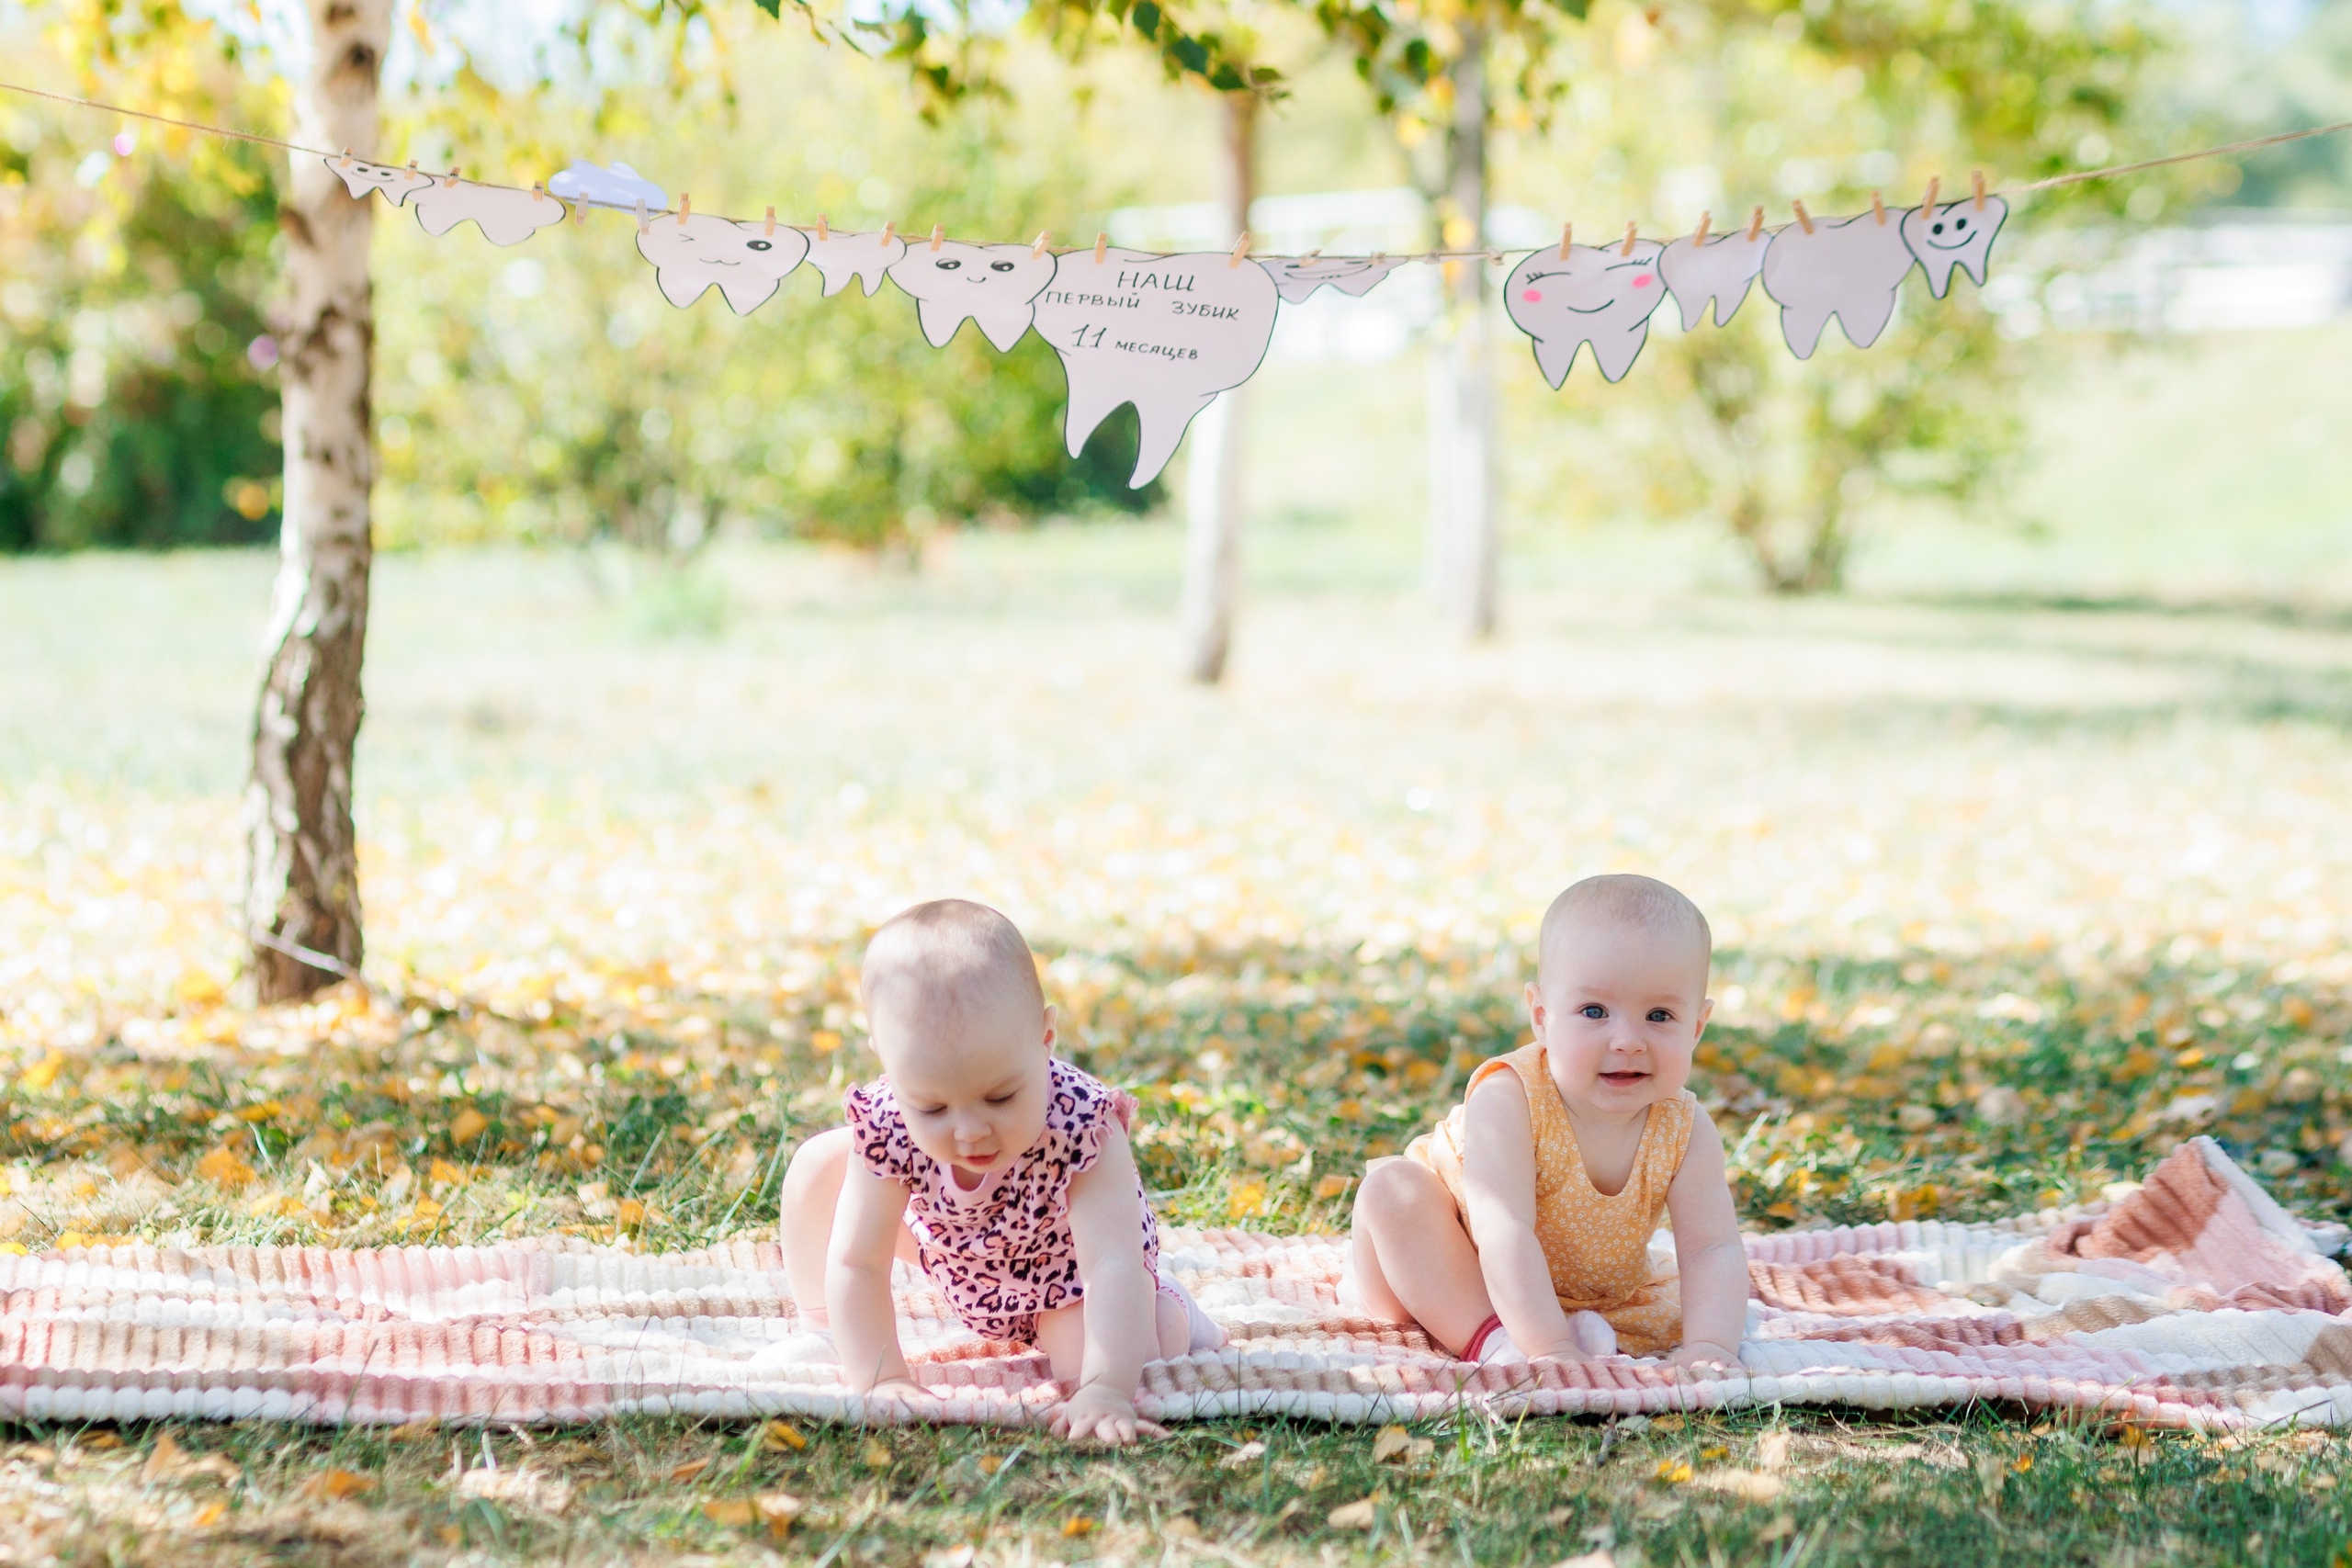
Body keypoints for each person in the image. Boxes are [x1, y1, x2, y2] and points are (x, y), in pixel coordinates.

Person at [779, 898, 1220, 1444]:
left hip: (1067, 1276)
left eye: (1001, 1096)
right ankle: (825, 1328)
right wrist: (882, 1377)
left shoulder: (1082, 1124)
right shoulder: (890, 1121)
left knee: (1103, 1357)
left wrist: (1106, 1389)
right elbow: (859, 1260)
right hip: (956, 1252)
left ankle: (1171, 1311)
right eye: (933, 1108)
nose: (969, 1131)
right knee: (818, 1166)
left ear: (1045, 1037)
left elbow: (1111, 1265)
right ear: (887, 1062)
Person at [1349, 874, 1747, 1369]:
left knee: (1663, 1315)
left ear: (1697, 1027)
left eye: (1660, 1016)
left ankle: (1560, 1330)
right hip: (1437, 1266)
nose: (1627, 1039)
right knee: (1393, 1190)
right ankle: (1496, 1342)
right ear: (1541, 1016)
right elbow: (1504, 1231)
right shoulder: (1510, 1097)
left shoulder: (1684, 1127)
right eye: (1594, 1011)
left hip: (1584, 1296)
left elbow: (1712, 1249)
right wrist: (1552, 1351)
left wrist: (1710, 1347)